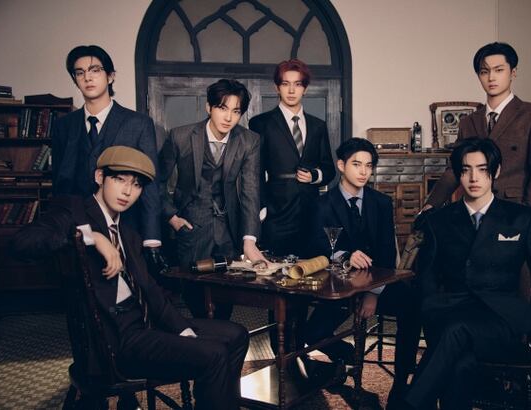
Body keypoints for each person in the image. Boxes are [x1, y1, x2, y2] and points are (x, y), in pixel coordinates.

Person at [12, 146, 249, 410]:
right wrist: (91, 236)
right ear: (100, 177)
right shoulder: (73, 211)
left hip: (145, 324)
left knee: (236, 335)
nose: (127, 191)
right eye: (120, 180)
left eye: (136, 185)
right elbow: (23, 243)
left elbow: (150, 291)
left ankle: (210, 400)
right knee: (215, 354)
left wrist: (183, 331)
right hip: (113, 341)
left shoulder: (128, 233)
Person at [403, 138, 531, 409]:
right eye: (465, 170)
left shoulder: (522, 218)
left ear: (495, 171)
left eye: (482, 169)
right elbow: (427, 278)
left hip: (503, 320)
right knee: (459, 362)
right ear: (458, 174)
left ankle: (407, 405)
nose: (474, 178)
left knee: (456, 331)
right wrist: (431, 312)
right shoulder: (439, 221)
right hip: (451, 311)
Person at [304, 138, 421, 408]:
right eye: (357, 164)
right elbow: (315, 246)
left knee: (413, 305)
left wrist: (373, 293)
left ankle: (401, 382)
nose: (363, 171)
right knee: (312, 334)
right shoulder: (322, 204)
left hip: (377, 283)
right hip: (339, 285)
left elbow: (386, 253)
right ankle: (346, 353)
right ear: (341, 165)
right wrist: (345, 255)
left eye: (369, 166)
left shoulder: (381, 202)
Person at [51, 45, 167, 276]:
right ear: (75, 80)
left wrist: (152, 240)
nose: (88, 77)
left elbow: (150, 184)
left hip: (127, 227)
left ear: (110, 76)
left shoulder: (138, 123)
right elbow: (60, 186)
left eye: (95, 70)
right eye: (80, 72)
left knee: (130, 291)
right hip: (81, 229)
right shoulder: (64, 126)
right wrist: (79, 231)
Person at [158, 79, 265, 320]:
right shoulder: (181, 136)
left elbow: (250, 191)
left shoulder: (249, 141)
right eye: (222, 108)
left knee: (225, 300)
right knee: (194, 298)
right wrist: (171, 217)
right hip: (191, 227)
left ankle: (221, 339)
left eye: (236, 111)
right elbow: (156, 181)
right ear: (209, 107)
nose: (228, 117)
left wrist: (249, 239)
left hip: (228, 229)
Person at [425, 42, 531, 220]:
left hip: (515, 210)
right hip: (475, 211)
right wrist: (430, 205)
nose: (491, 77)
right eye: (484, 72)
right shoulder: (468, 122)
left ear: (513, 73)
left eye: (499, 70)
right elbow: (454, 170)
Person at [249, 58, 335, 257]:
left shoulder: (318, 126)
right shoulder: (261, 123)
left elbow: (329, 168)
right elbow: (254, 171)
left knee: (310, 269)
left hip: (311, 212)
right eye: (285, 84)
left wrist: (314, 176)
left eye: (297, 84)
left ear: (305, 88)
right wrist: (262, 208)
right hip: (275, 213)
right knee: (276, 269)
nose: (291, 90)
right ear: (277, 87)